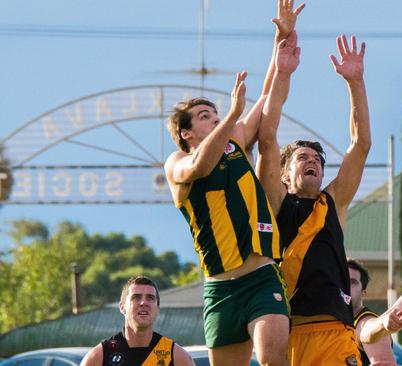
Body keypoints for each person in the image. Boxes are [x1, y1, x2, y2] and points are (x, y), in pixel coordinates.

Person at [164, 2, 304, 365]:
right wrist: (230, 115)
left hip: (261, 278)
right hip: (220, 288)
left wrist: (281, 41)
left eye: (214, 114)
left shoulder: (234, 140)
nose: (213, 120)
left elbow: (269, 99)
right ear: (186, 132)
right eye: (203, 116)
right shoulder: (177, 164)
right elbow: (200, 164)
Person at [256, 33, 370, 366]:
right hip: (286, 330)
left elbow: (360, 144)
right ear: (284, 174)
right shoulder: (277, 201)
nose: (313, 163)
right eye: (303, 158)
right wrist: (283, 74)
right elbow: (266, 139)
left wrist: (355, 82)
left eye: (318, 161)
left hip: (335, 330)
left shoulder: (332, 202)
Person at [80, 275, 195, 366]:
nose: (143, 303)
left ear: (157, 309)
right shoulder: (99, 356)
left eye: (150, 298)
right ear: (122, 307)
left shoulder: (176, 356)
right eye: (136, 297)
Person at [347, 258, 396, 366]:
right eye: (341, 279)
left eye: (352, 282)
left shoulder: (365, 322)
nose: (345, 285)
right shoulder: (332, 321)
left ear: (363, 292)